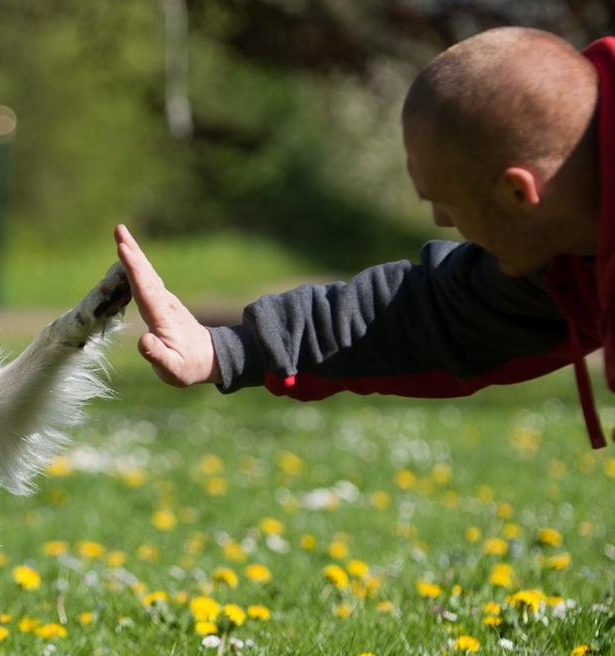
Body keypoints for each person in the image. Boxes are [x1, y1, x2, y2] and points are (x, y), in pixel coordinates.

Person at [115, 26, 615, 448]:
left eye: (447, 202)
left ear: (518, 193)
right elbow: (432, 317)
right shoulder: (565, 242)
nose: (442, 221)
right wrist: (224, 348)